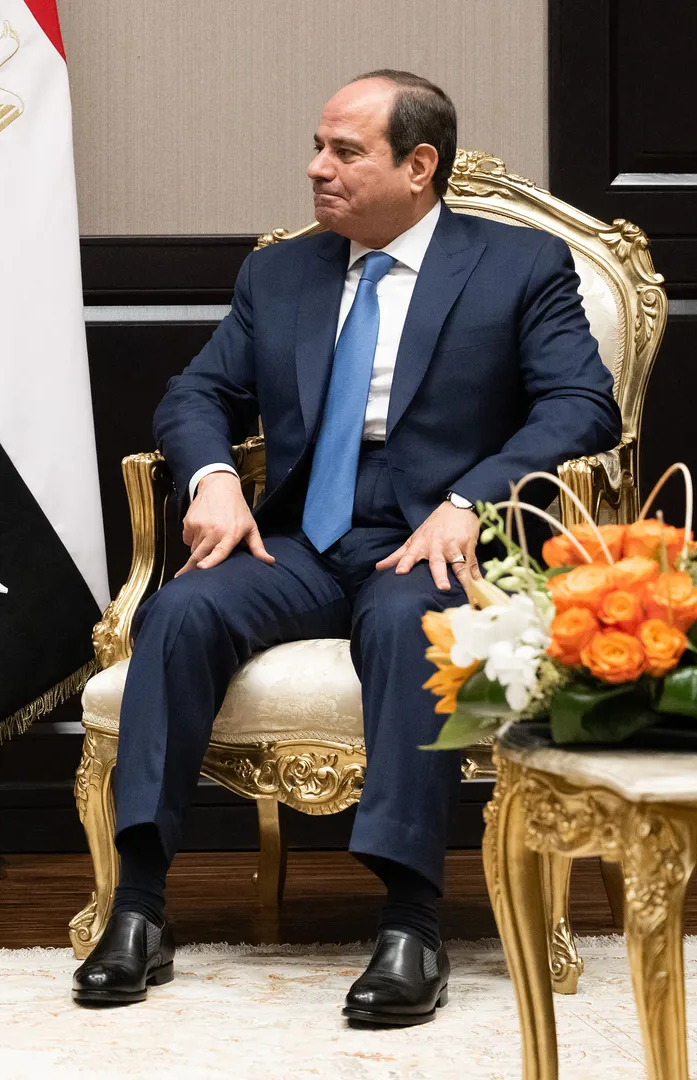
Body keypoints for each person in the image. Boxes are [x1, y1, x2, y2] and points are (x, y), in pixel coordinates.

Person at [71, 71, 619, 1025]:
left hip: (430, 543)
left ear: (419, 165)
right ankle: (139, 908)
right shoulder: (282, 272)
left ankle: (413, 924)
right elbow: (196, 394)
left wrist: (469, 500)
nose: (316, 169)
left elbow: (582, 403)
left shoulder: (518, 267)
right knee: (180, 610)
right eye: (318, 146)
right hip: (302, 541)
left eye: (344, 152)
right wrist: (211, 480)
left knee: (414, 626)